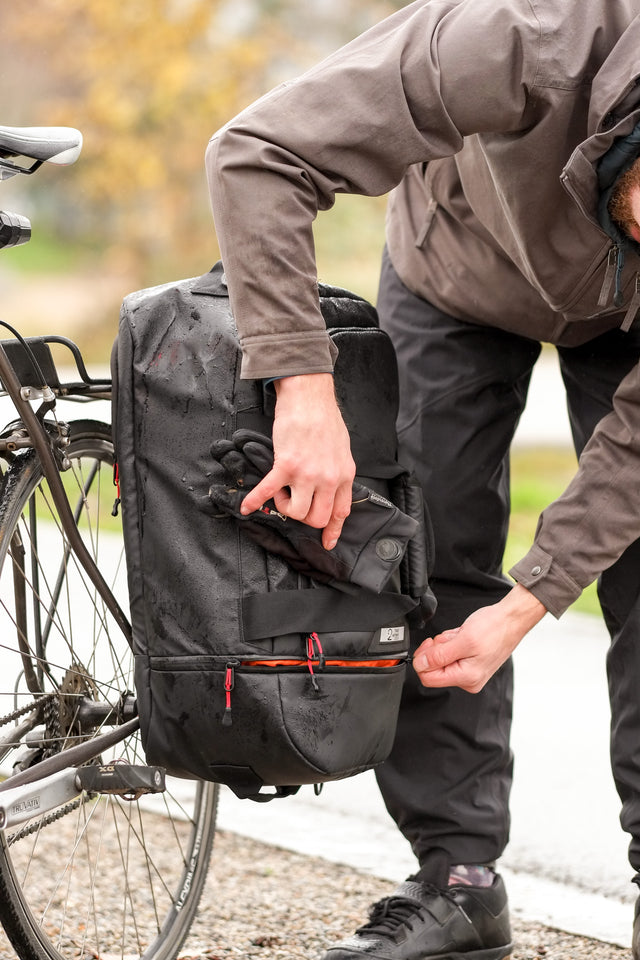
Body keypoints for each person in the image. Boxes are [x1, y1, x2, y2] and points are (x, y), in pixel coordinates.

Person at [205, 1, 640, 956]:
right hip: (460, 264)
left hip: (629, 310)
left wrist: (531, 602)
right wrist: (303, 388)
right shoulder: (517, 33)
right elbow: (257, 151)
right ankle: (458, 879)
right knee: (426, 548)